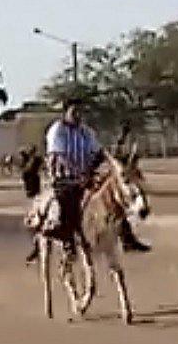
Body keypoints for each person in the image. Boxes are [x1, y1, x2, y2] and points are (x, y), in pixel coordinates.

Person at [31, 98, 149, 253]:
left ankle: (126, 236)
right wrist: (79, 173)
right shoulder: (57, 130)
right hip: (64, 179)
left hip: (86, 176)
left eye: (80, 111)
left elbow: (98, 152)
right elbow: (59, 156)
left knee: (114, 196)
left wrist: (112, 163)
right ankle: (65, 234)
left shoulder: (86, 132)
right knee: (67, 201)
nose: (78, 115)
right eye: (74, 111)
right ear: (65, 112)